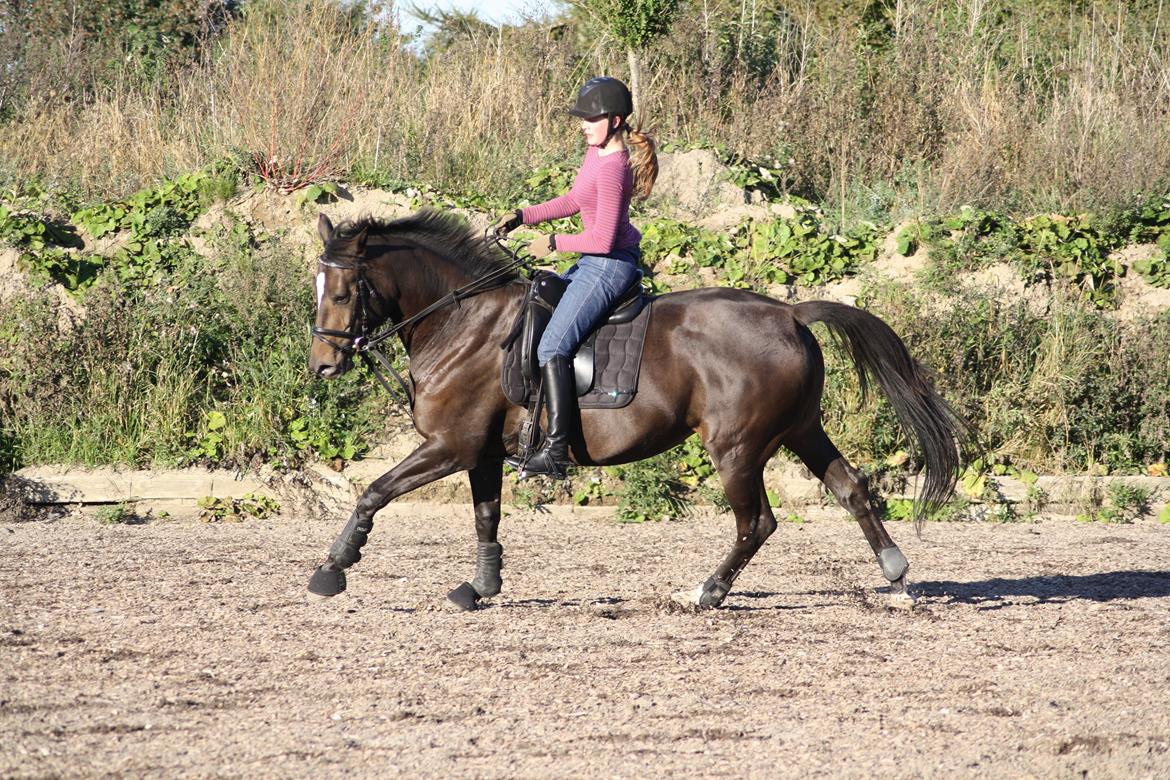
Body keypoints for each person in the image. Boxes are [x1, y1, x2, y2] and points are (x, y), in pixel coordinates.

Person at [494, 76, 659, 479]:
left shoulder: (614, 170)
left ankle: (554, 452)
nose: (583, 124)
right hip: (591, 262)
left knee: (552, 346)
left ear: (616, 120)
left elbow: (602, 239)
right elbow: (573, 200)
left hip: (608, 265)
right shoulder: (595, 154)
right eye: (582, 117)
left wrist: (552, 242)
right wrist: (523, 215)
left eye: (592, 117)